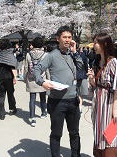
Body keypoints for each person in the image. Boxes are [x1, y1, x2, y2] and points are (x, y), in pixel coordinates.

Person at [33, 25, 84, 157]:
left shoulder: (72, 54)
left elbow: (80, 68)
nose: (67, 40)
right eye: (64, 37)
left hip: (73, 99)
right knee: (56, 133)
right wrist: (42, 82)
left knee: (74, 132)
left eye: (69, 37)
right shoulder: (51, 55)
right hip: (57, 100)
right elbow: (36, 70)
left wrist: (75, 52)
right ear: (58, 38)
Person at [87, 33, 117, 156]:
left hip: (110, 102)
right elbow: (96, 85)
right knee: (99, 129)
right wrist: (92, 78)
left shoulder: (114, 62)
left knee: (111, 132)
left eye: (96, 43)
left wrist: (115, 109)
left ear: (104, 44)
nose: (94, 45)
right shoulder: (96, 61)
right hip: (99, 101)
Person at [24, 36, 49, 127]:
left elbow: (26, 67)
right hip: (42, 79)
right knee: (43, 98)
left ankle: (32, 117)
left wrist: (24, 78)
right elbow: (47, 69)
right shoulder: (45, 55)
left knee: (32, 99)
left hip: (31, 78)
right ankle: (43, 112)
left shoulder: (28, 54)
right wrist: (48, 79)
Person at [0, 39, 18, 120]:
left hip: (0, 77)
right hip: (8, 77)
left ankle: (1, 113)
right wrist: (15, 77)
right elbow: (12, 68)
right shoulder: (10, 56)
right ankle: (12, 108)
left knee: (1, 94)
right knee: (11, 94)